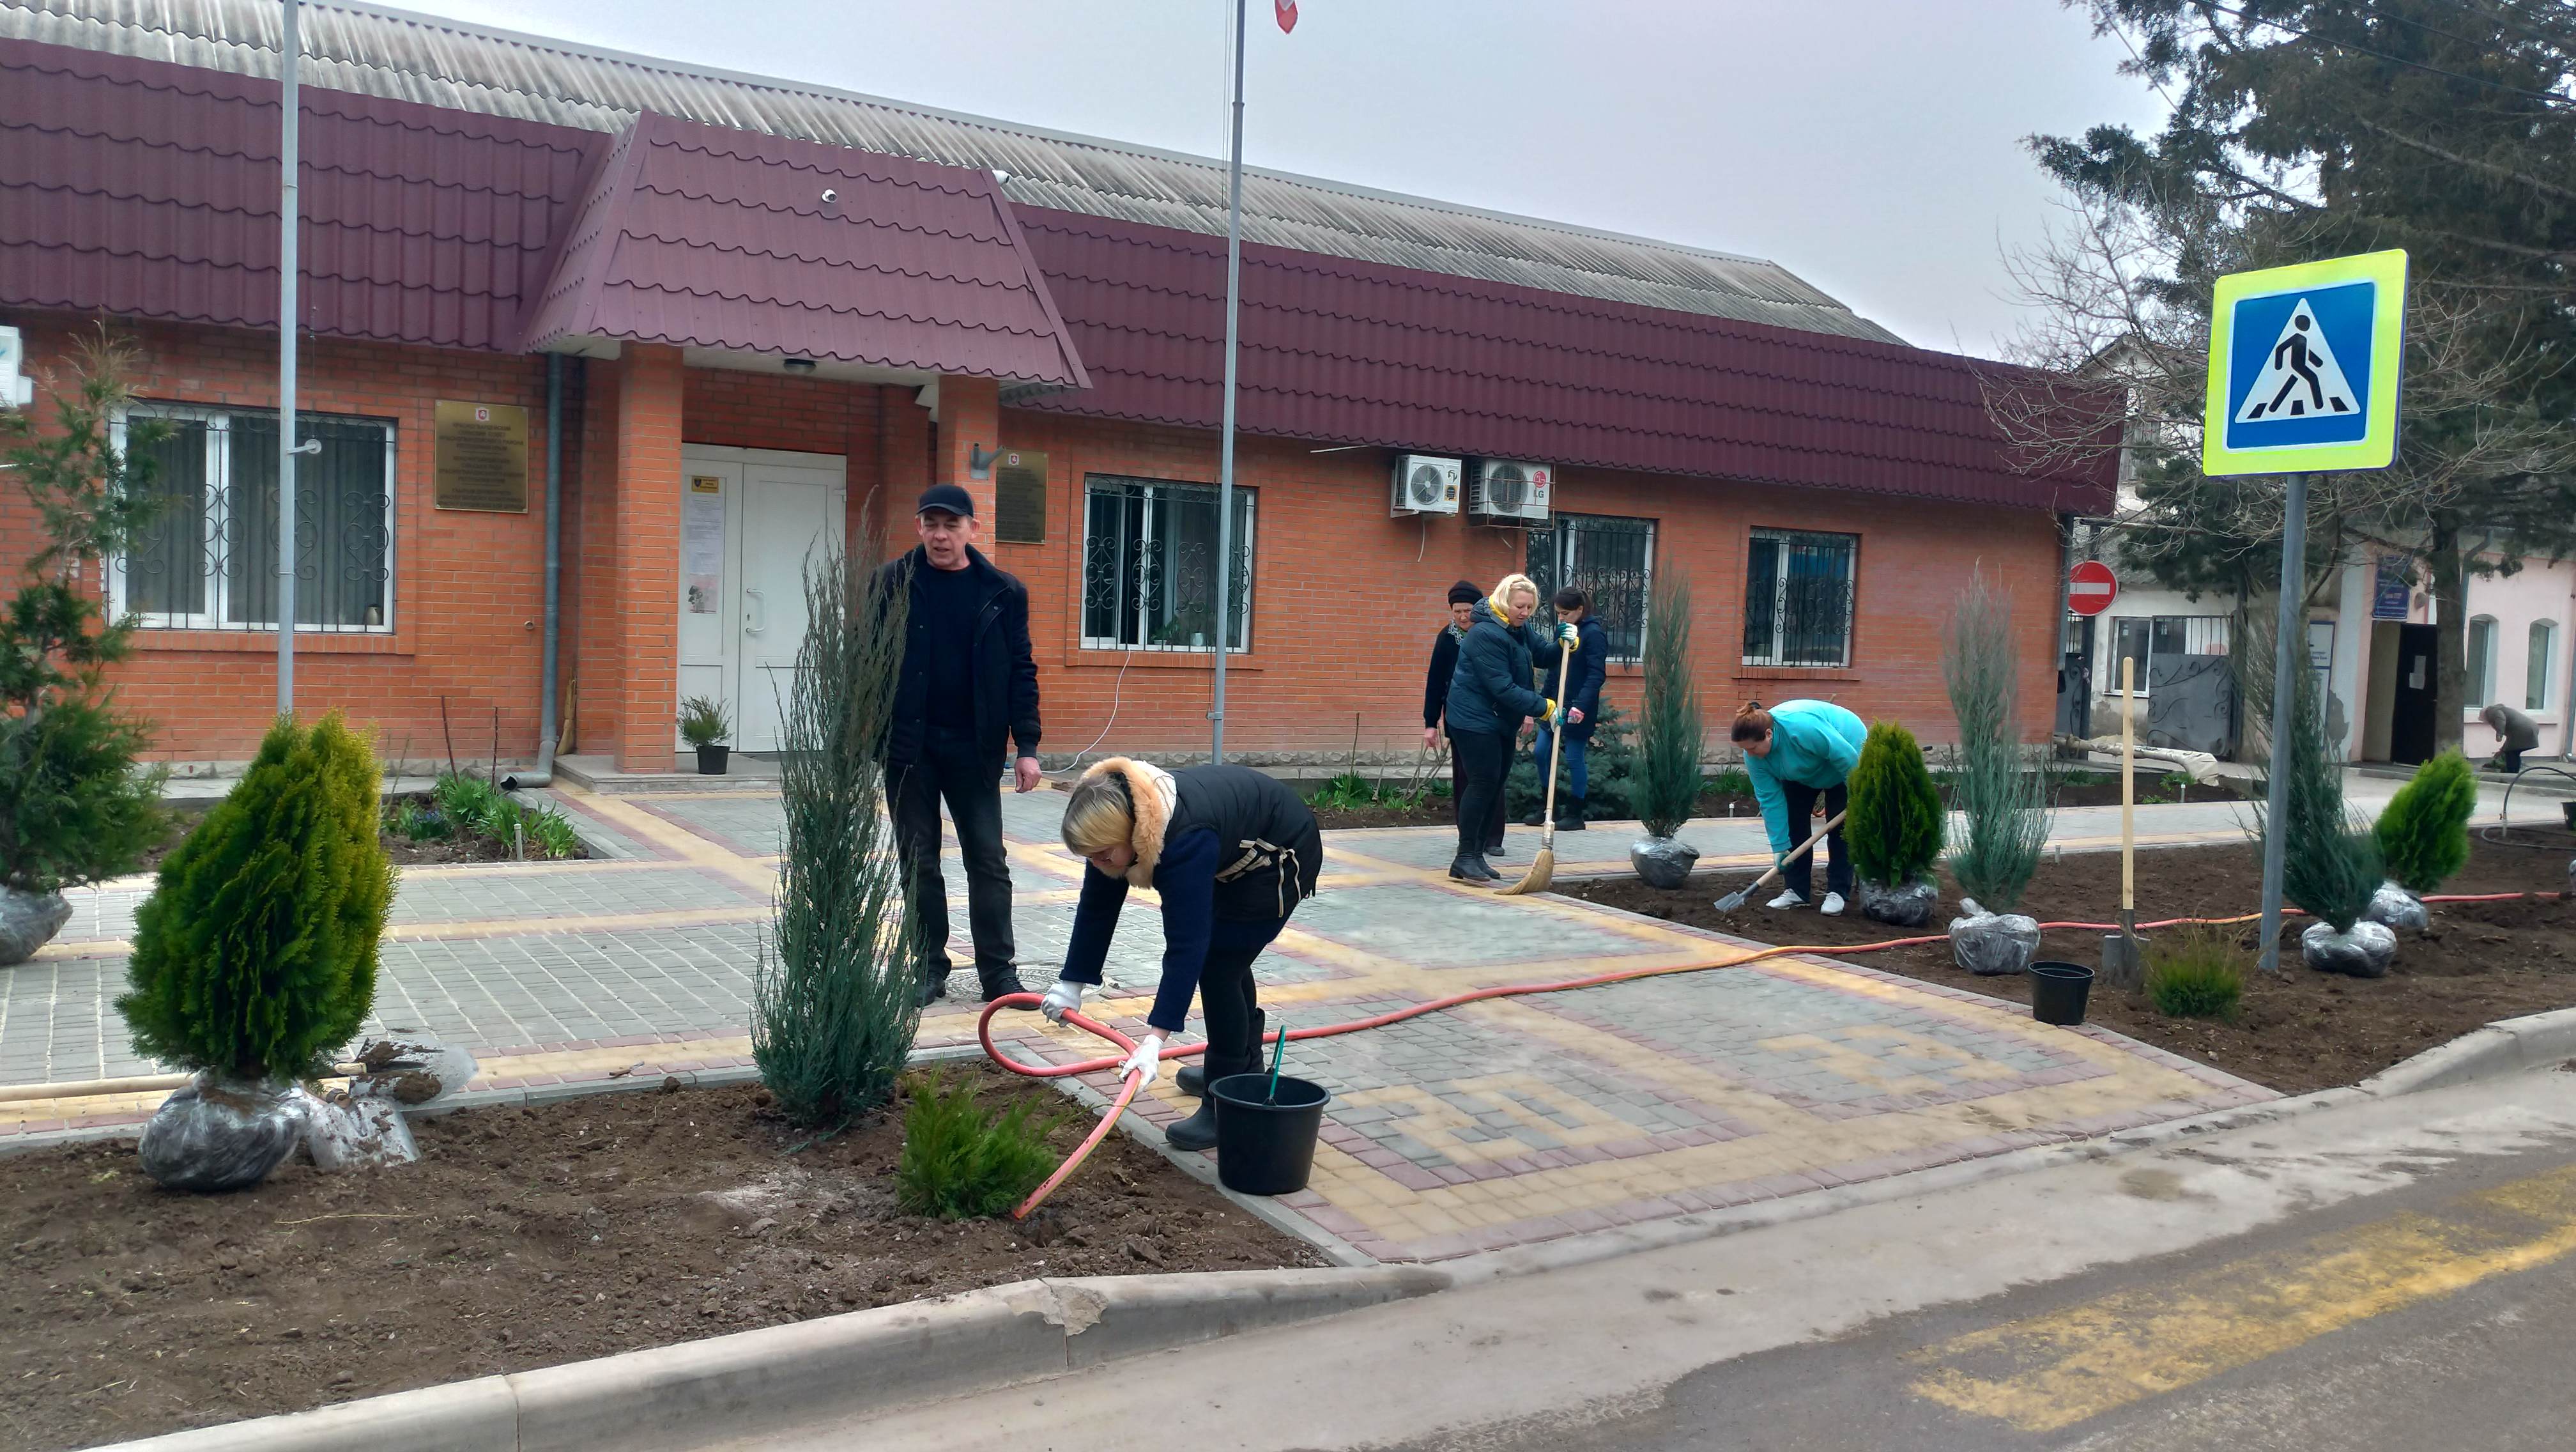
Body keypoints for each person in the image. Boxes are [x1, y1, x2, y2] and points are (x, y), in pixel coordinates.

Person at [1043, 756, 1323, 1152]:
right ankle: (1242, 1068)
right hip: (1235, 851)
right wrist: (1071, 983)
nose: (1097, 864)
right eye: (1090, 856)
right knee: (1226, 958)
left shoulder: (1184, 839)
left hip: (1279, 857)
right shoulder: (1119, 820)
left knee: (1219, 966)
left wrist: (1155, 1040)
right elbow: (1097, 908)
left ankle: (1224, 1099)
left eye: (1103, 855)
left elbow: (1186, 945)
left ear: (1132, 836)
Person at [875, 483, 1042, 1007]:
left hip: (975, 748)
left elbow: (1021, 670)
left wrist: (1027, 745)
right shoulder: (892, 582)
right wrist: (865, 741)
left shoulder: (1003, 591)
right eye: (932, 524)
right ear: (919, 527)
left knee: (988, 860)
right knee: (918, 860)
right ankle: (928, 967)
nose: (941, 535)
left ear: (973, 528)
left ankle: (999, 973)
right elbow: (867, 661)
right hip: (910, 747)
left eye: (952, 525)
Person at [1443, 573, 1575, 883]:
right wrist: (1545, 708)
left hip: (1499, 719)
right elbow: (1501, 687)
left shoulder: (1518, 628)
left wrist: (1563, 643)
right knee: (1483, 783)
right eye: (1520, 606)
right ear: (1504, 602)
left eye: (1530, 607)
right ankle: (1464, 857)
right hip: (1473, 719)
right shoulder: (1485, 634)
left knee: (1494, 784)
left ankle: (1476, 855)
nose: (1525, 613)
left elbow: (1543, 655)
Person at [1732, 699, 1866, 915]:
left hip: (1846, 751)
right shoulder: (1754, 757)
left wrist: (1858, 794)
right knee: (1793, 821)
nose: (1751, 754)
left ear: (1769, 734)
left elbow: (1845, 757)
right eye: (1746, 749)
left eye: (1753, 748)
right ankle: (1796, 891)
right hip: (1801, 770)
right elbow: (1770, 800)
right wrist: (1779, 847)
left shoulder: (1801, 728)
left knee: (1840, 830)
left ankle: (1837, 892)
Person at [1524, 586, 1607, 831]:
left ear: (1580, 610)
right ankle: (1548, 807)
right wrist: (1542, 701)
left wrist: (1580, 706)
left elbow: (1596, 674)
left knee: (1573, 757)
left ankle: (1575, 813)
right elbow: (1555, 669)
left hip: (1578, 707)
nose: (1561, 618)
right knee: (1542, 752)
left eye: (1565, 613)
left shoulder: (1594, 634)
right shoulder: (1563, 631)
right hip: (1555, 703)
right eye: (1558, 614)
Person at [1422, 580, 1483, 827]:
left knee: (1489, 776)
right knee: (1462, 776)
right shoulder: (1447, 638)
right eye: (1457, 611)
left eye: (1468, 610)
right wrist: (1430, 723)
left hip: (1489, 716)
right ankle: (1466, 832)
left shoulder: (1490, 634)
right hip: (1458, 718)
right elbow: (1435, 682)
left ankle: (1490, 836)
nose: (1463, 616)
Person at [2480, 701, 2541, 773]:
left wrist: (2499, 734)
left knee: (2511, 752)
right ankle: (2514, 773)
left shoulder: (2492, 711)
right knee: (2514, 752)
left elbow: (2501, 719)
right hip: (2530, 728)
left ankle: (2511, 774)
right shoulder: (2501, 710)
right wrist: (2501, 751)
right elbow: (2510, 740)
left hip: (2524, 730)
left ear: (2485, 716)